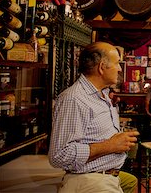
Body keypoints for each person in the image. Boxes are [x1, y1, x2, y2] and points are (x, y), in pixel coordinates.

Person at [48, 42, 140, 193]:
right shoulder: (74, 99)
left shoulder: (101, 94)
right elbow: (59, 155)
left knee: (131, 182)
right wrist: (111, 145)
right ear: (102, 67)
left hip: (108, 175)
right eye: (117, 63)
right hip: (91, 180)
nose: (120, 68)